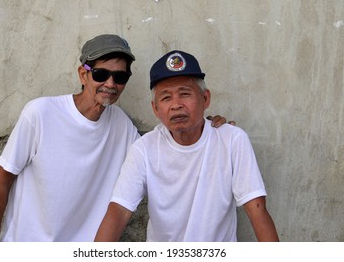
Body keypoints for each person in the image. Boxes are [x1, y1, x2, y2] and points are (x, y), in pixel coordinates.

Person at [0, 35, 230, 242]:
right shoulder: (40, 113)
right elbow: (3, 179)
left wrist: (201, 125)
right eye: (101, 74)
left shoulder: (121, 126)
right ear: (83, 74)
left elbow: (163, 151)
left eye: (120, 77)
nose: (110, 84)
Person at [95, 50, 279, 242]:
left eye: (185, 94)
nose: (176, 105)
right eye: (166, 97)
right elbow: (119, 211)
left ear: (205, 99)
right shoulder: (144, 149)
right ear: (155, 108)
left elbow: (256, 207)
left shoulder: (232, 140)